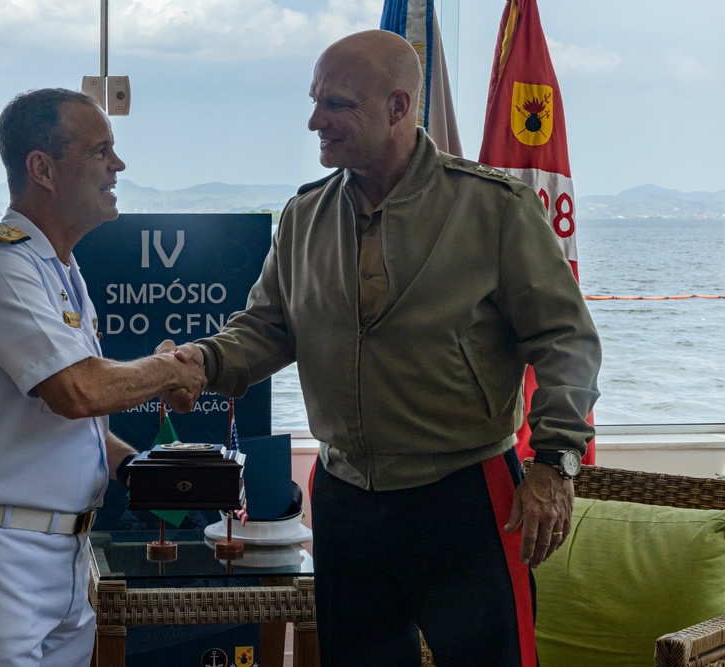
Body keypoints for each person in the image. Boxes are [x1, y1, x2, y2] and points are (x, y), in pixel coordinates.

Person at [174, 30, 602, 666]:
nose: (315, 120)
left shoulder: (495, 208)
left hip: (464, 495)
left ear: (400, 107)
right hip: (345, 498)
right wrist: (198, 363)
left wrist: (555, 460)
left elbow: (565, 339)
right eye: (315, 101)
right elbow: (265, 330)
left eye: (336, 104)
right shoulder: (303, 218)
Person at [0, 88, 206, 667]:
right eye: (100, 151)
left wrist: (137, 467)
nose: (117, 166)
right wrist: (171, 369)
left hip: (66, 556)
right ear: (42, 168)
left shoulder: (60, 270)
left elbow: (72, 420)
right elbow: (78, 391)